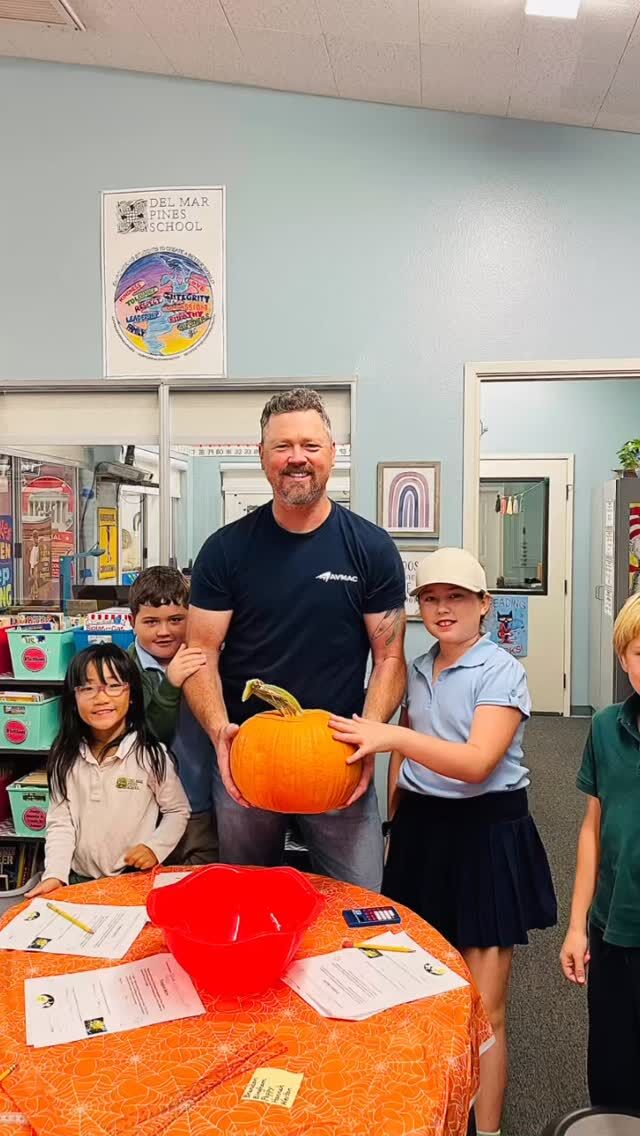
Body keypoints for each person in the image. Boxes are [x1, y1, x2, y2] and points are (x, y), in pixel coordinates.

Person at [330, 547, 557, 1136]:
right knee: (420, 989)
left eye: (457, 597)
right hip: (420, 835)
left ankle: (487, 1130)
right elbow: (408, 759)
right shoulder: (418, 664)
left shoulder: (501, 670)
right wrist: (392, 832)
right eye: (430, 598)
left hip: (485, 836)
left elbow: (478, 762)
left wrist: (386, 736)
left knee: (484, 1009)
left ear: (485, 605)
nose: (442, 608)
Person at [185, 387, 406, 890]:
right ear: (262, 457)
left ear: (332, 454)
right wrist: (221, 732)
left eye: (310, 444)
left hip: (337, 757)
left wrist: (369, 738)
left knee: (359, 906)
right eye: (282, 446)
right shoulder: (224, 551)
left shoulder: (370, 548)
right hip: (248, 756)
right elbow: (200, 655)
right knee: (246, 901)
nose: (297, 458)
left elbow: (389, 656)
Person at [560, 592, 640, 1108]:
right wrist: (575, 924)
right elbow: (592, 829)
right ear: (623, 660)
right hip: (612, 931)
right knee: (612, 1076)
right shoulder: (605, 728)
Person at [26, 644, 189, 896]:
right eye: (87, 688)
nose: (101, 698)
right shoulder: (64, 758)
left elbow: (177, 810)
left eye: (114, 685)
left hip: (133, 879)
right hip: (78, 879)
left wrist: (154, 848)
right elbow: (61, 823)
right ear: (73, 698)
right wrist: (55, 875)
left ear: (131, 693)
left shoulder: (150, 755)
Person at [128, 565, 218, 865]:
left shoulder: (208, 661)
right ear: (132, 622)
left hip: (204, 804)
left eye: (176, 620)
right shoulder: (124, 671)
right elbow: (148, 736)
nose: (164, 631)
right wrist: (171, 685)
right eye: (151, 621)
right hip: (148, 812)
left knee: (204, 891)